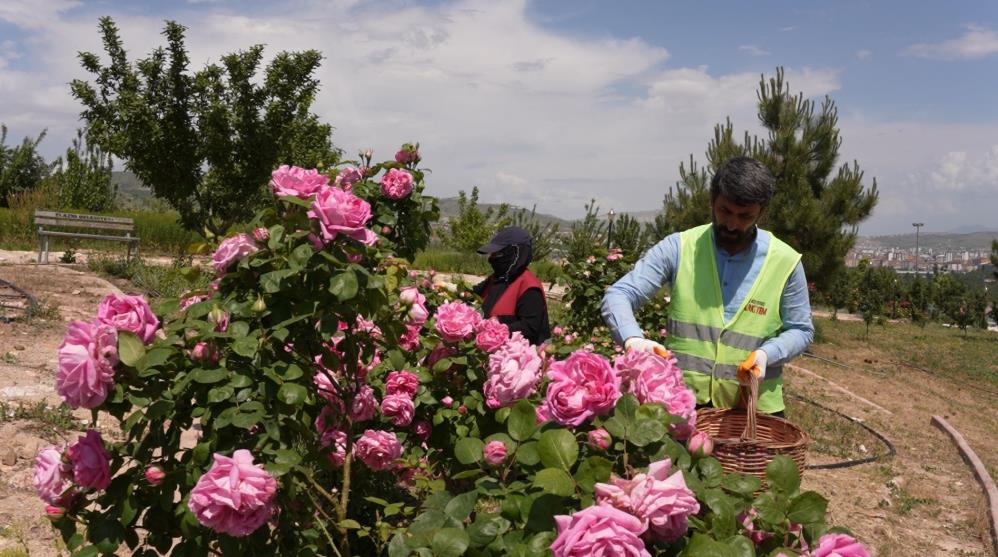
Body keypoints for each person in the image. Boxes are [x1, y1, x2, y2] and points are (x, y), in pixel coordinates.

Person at [601, 157, 813, 415]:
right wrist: (633, 339)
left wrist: (768, 354)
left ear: (762, 212)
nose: (732, 224)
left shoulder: (786, 262)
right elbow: (620, 294)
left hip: (754, 413)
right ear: (712, 201)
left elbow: (801, 329)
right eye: (725, 211)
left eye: (745, 216)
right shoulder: (679, 248)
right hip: (682, 405)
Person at [472, 226, 551, 345]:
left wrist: (498, 324)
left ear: (514, 253)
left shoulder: (529, 287)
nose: (491, 259)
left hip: (516, 356)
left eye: (496, 254)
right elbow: (473, 294)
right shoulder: (497, 278)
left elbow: (530, 327)